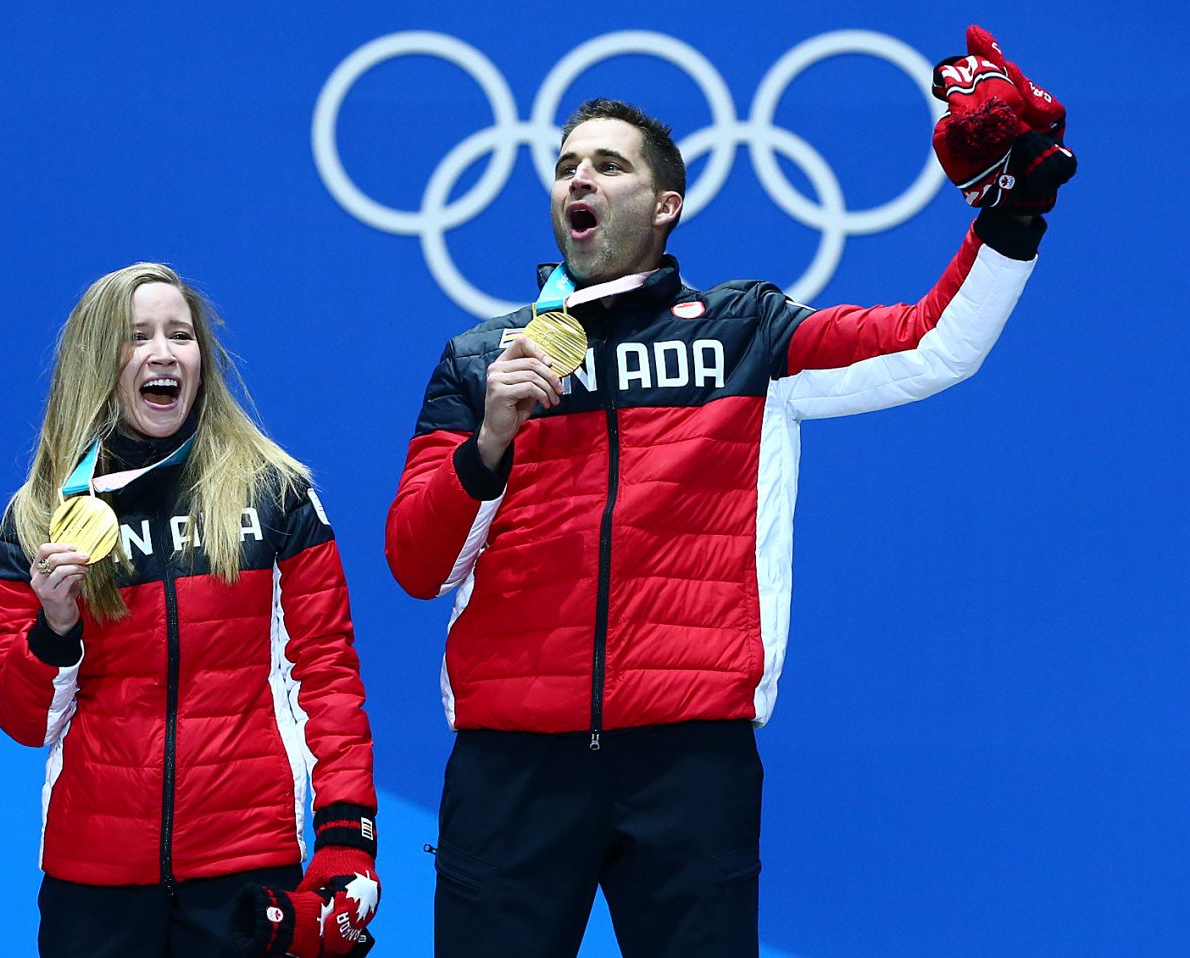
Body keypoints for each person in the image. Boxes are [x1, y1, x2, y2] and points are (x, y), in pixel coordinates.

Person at [385, 31, 1073, 958]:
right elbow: (417, 567)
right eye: (565, 166)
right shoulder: (483, 358)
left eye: (607, 166)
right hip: (510, 762)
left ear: (667, 205)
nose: (578, 180)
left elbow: (932, 343)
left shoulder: (746, 332)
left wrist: (1011, 215)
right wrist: (490, 443)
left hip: (688, 761)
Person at [0, 263, 379, 958]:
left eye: (181, 335)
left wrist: (348, 838)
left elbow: (327, 678)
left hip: (246, 873)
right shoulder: (40, 516)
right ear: (95, 363)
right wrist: (54, 628)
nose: (164, 353)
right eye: (137, 337)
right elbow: (25, 720)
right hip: (94, 881)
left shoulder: (275, 492)